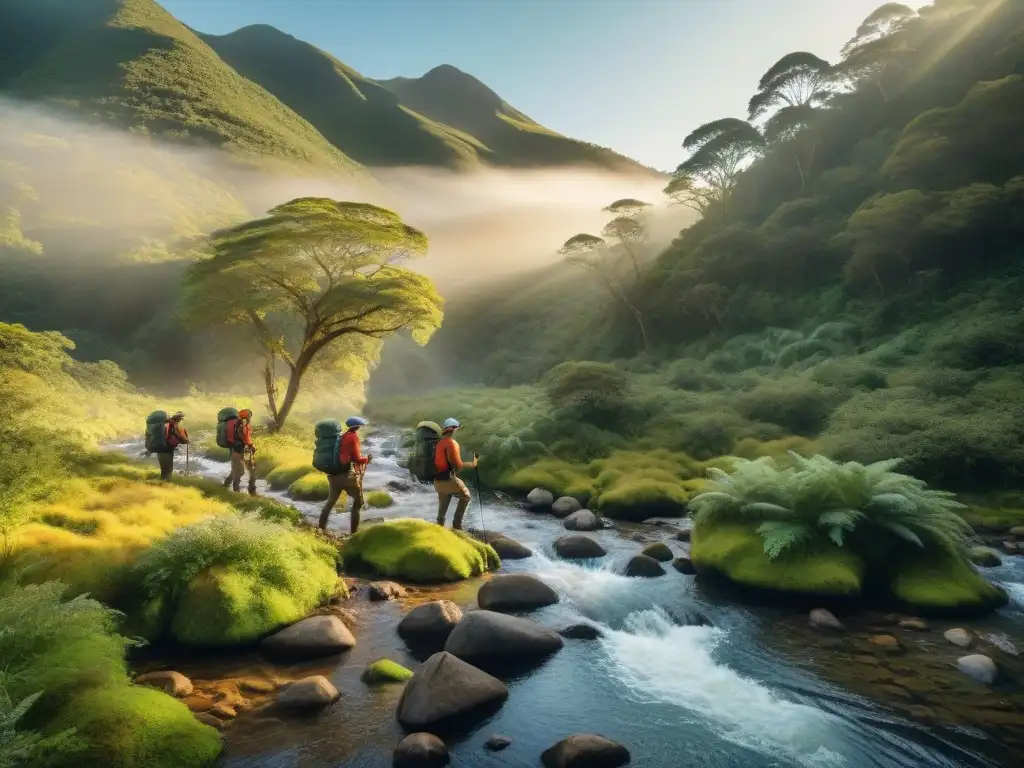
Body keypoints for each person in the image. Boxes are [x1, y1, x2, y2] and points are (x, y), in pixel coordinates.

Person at [319, 416, 371, 534]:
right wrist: (366, 459)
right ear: (357, 427)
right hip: (347, 476)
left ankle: (320, 529)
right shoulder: (353, 438)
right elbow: (357, 458)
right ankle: (354, 534)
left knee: (330, 503)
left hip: (334, 475)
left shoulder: (341, 436)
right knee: (358, 503)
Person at [433, 417, 477, 530]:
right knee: (466, 496)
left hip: (437, 481)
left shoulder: (439, 443)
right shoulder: (452, 443)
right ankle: (457, 526)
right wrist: (473, 463)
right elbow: (458, 466)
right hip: (448, 480)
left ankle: (439, 525)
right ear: (454, 429)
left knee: (444, 501)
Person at [223, 408, 257, 494]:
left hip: (235, 449)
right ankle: (251, 488)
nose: (250, 417)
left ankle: (231, 486)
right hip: (245, 450)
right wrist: (252, 446)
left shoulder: (236, 424)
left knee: (237, 469)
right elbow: (246, 438)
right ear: (247, 416)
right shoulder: (244, 424)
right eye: (249, 415)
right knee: (250, 468)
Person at [159, 412, 189, 481]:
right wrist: (185, 441)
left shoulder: (166, 423)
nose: (181, 420)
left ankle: (162, 483)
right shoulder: (173, 424)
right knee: (168, 469)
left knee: (164, 468)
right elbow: (177, 435)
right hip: (167, 448)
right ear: (177, 418)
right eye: (181, 418)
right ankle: (166, 484)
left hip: (160, 447)